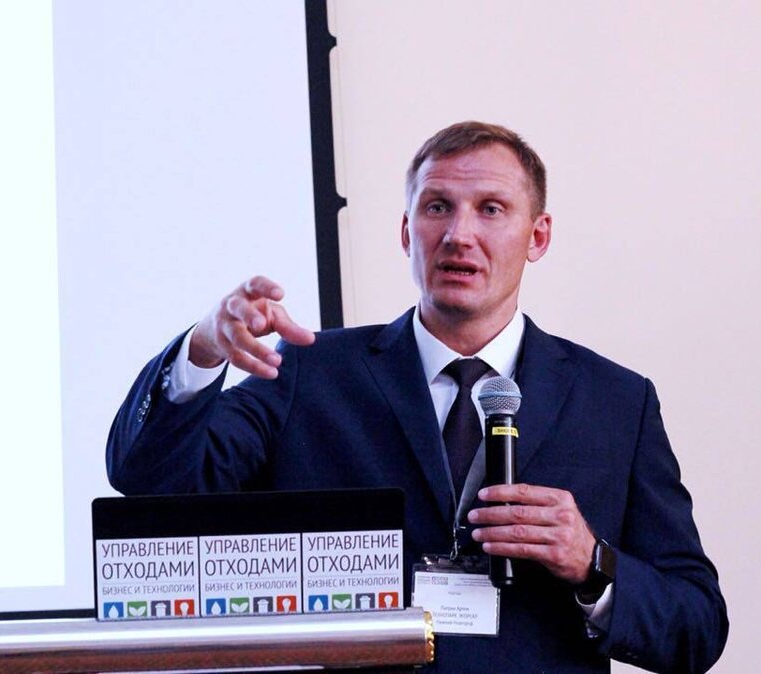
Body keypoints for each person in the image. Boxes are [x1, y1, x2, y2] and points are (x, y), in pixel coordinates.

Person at [107, 121, 728, 673]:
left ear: (537, 236)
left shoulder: (616, 402)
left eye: (491, 209)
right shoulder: (311, 374)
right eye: (437, 207)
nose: (459, 234)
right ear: (407, 231)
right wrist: (202, 351)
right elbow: (153, 485)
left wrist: (592, 562)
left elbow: (696, 629)